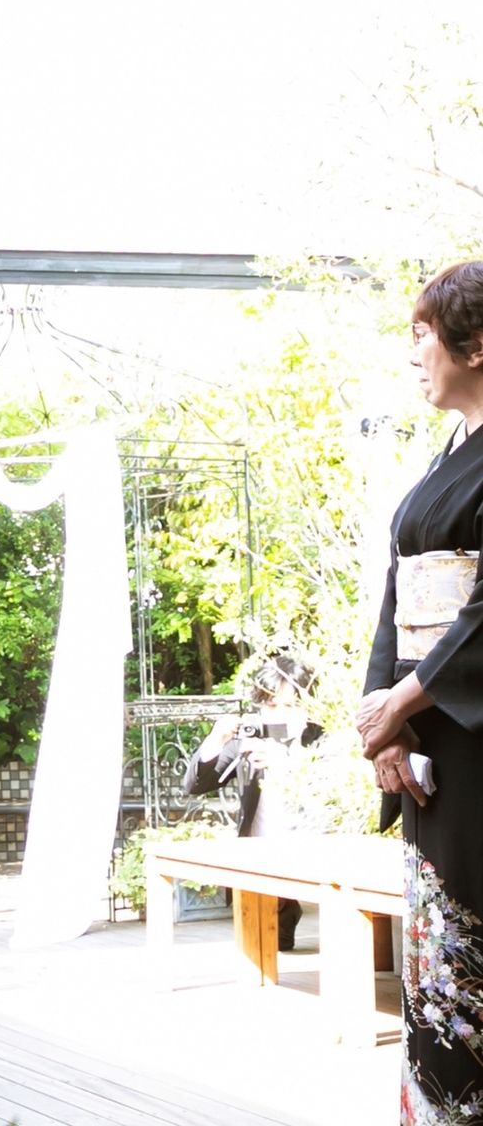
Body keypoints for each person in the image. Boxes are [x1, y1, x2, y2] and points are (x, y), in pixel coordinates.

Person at [358, 260, 483, 1123]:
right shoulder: (451, 453)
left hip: (475, 742)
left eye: (423, 336)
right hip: (432, 740)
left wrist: (406, 700)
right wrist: (387, 725)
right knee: (435, 954)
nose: (413, 356)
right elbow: (397, 596)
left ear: (475, 345)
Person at [182, 655, 321, 950]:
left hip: (316, 847)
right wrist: (216, 739)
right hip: (262, 851)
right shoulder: (250, 737)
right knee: (263, 946)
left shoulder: (322, 738)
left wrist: (286, 765)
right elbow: (195, 785)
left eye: (290, 705)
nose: (280, 714)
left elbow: (335, 792)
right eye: (272, 705)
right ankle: (284, 910)